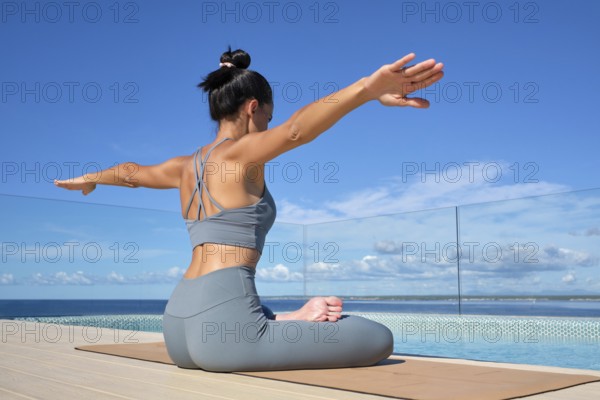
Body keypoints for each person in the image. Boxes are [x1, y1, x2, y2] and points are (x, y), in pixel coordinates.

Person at [54, 47, 444, 372]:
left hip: (178, 324)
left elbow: (132, 174)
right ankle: (275, 323)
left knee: (267, 315)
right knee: (376, 337)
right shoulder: (240, 154)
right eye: (267, 119)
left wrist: (91, 177)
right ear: (252, 108)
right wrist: (367, 88)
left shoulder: (184, 165)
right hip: (224, 329)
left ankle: (289, 318)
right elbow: (297, 130)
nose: (268, 129)